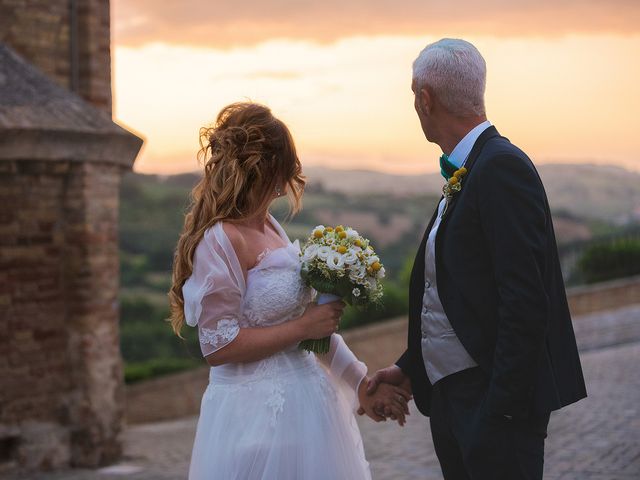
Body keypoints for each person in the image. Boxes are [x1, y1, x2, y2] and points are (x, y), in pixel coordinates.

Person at [365, 38, 587, 479]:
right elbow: (461, 296)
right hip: (455, 402)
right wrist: (411, 367)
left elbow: (525, 299)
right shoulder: (471, 169)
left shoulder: (500, 167)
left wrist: (500, 410)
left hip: (492, 408)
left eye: (414, 95)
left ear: (425, 98)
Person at [168, 102, 410, 480]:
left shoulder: (272, 229)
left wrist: (361, 383)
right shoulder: (220, 240)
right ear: (263, 167)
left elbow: (316, 331)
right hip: (253, 420)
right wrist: (303, 328)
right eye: (285, 164)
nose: (292, 176)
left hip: (310, 412)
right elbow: (218, 346)